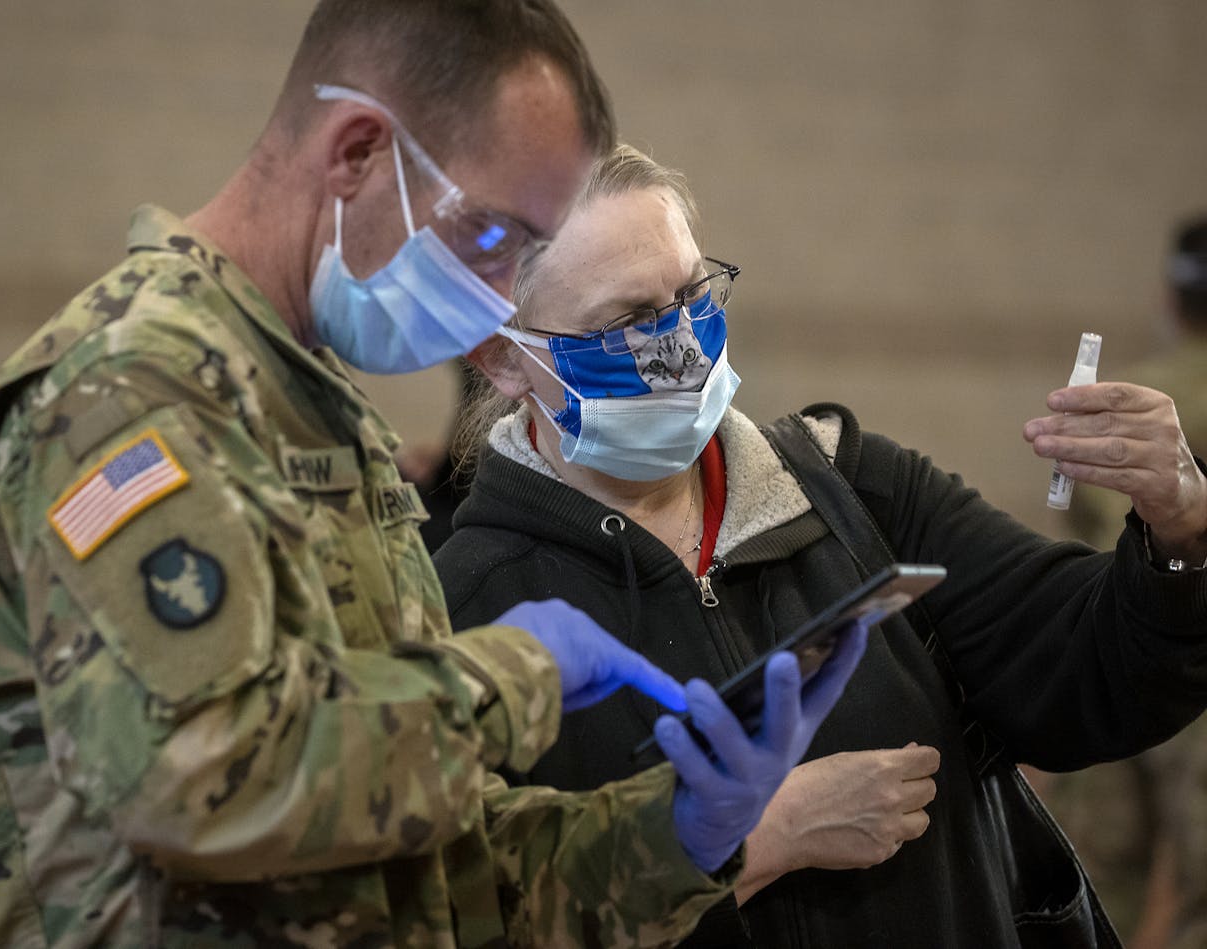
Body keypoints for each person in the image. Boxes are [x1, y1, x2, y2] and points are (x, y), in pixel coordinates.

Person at [0, 4, 869, 947]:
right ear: (358, 152)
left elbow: (432, 872)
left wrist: (683, 830)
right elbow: (205, 783)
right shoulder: (128, 393)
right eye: (496, 240)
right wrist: (510, 674)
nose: (502, 300)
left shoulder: (316, 406)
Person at [434, 145, 1207, 948]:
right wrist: (757, 840)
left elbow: (1092, 675)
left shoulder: (851, 491)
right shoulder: (464, 611)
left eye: (692, 293)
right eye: (627, 322)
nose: (679, 342)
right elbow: (467, 912)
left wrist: (1179, 532)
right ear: (504, 357)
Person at [1034, 213, 1207, 949]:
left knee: (1102, 864)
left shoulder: (1133, 404)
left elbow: (1070, 535)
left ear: (1171, 297)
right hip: (1191, 647)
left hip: (1117, 645)